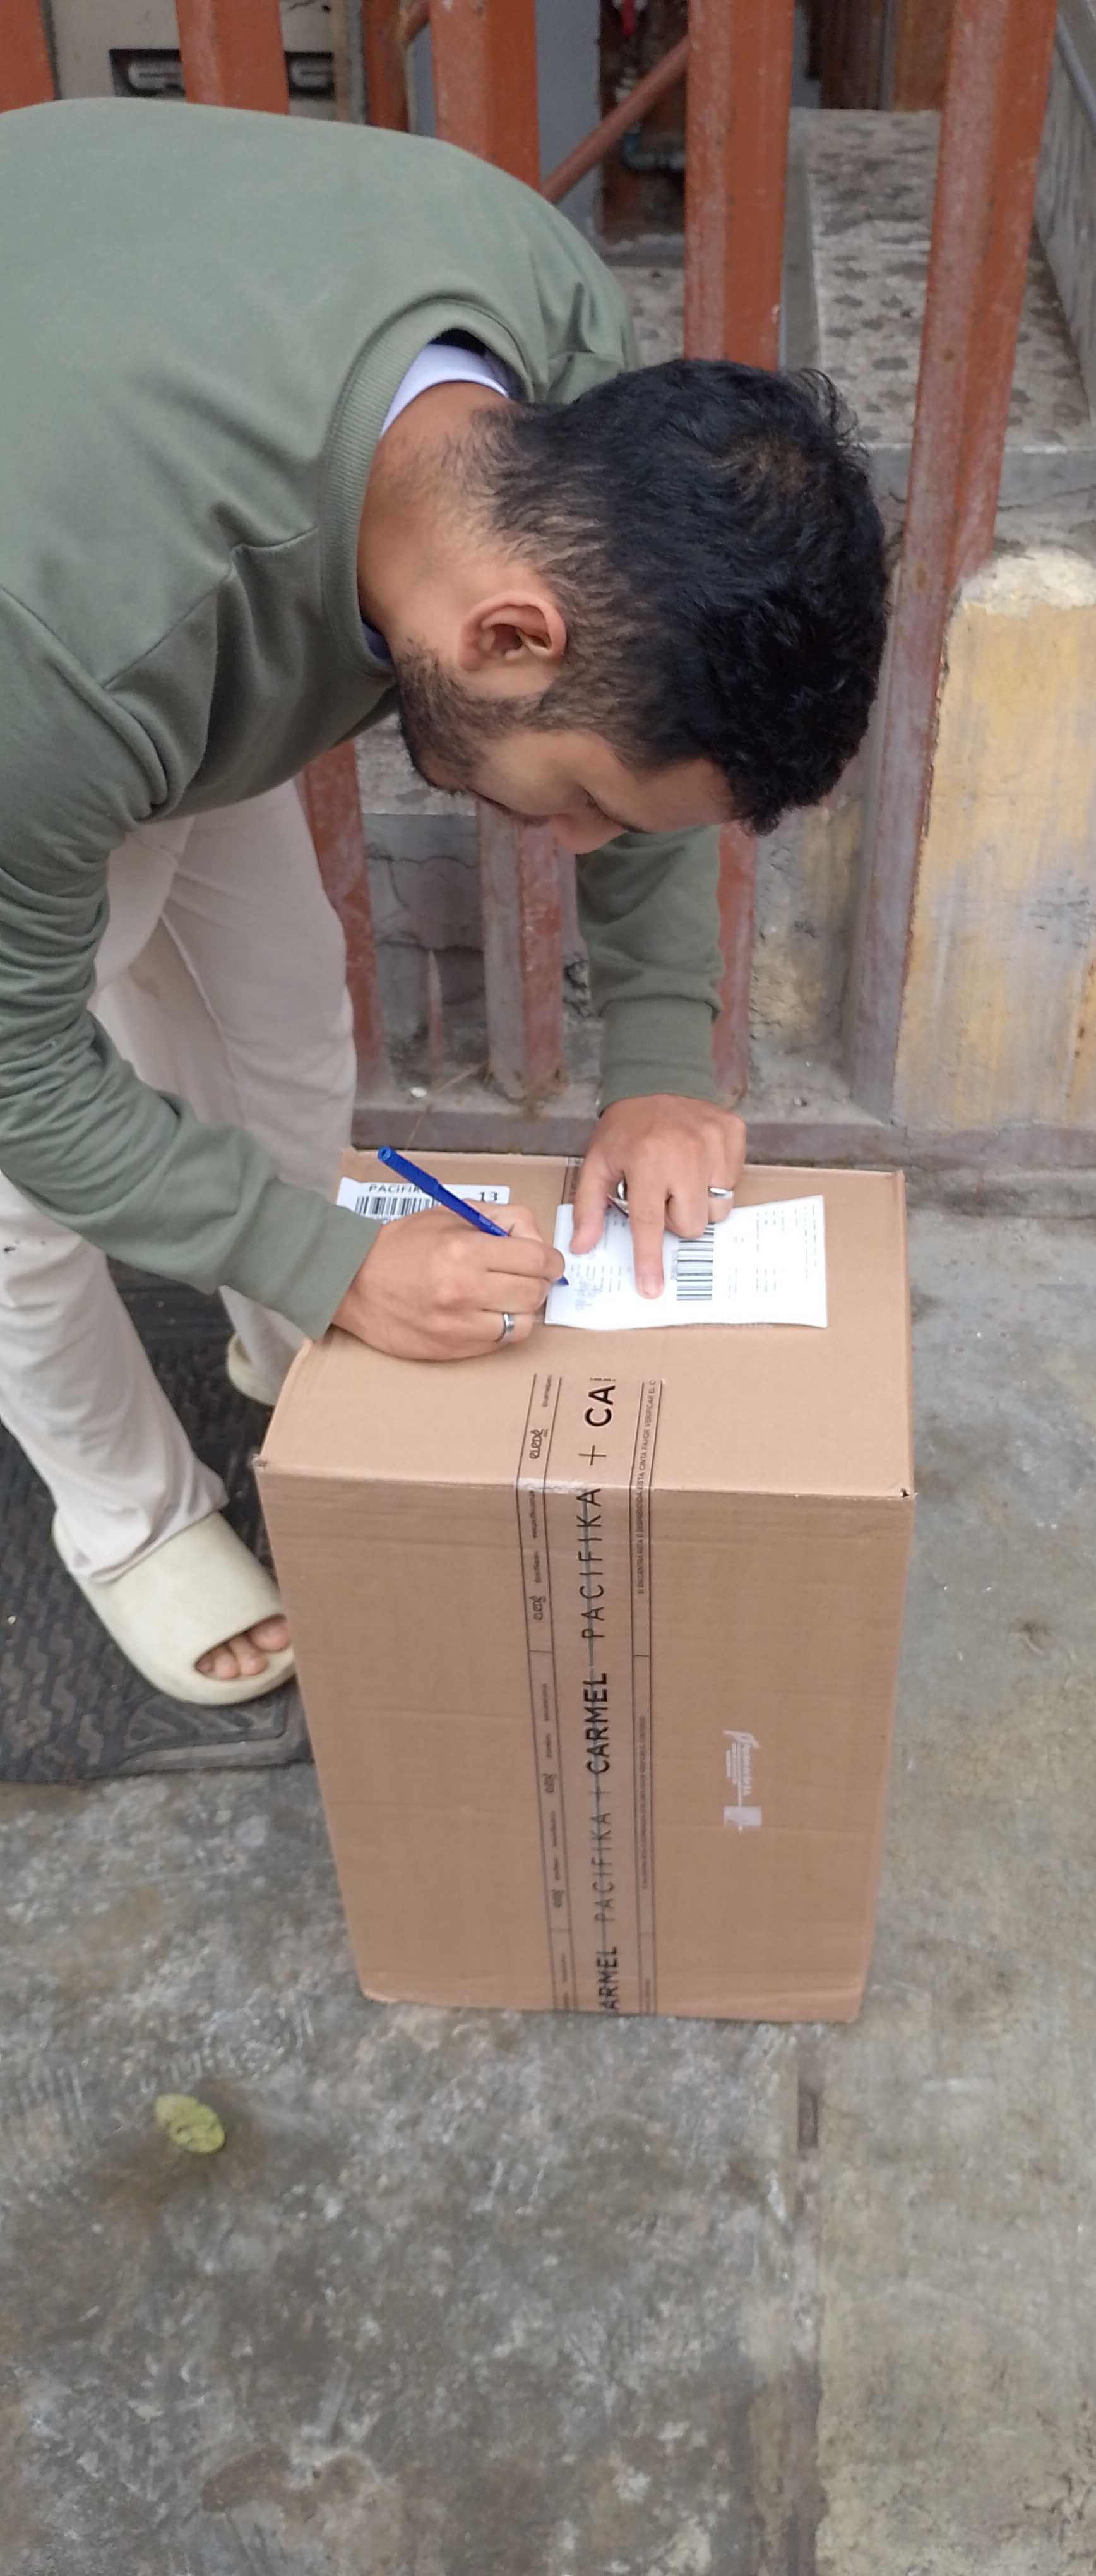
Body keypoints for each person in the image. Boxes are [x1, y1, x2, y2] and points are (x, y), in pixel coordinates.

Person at [0, 98, 887, 1722]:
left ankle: (296, 1332)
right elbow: (16, 1071)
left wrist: (659, 1057)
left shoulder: (552, 342)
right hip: (47, 617)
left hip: (130, 520)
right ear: (506, 633)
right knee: (25, 1197)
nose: (578, 845)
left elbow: (648, 739)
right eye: (583, 800)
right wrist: (324, 1255)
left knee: (281, 1021)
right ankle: (127, 1517)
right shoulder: (69, 651)